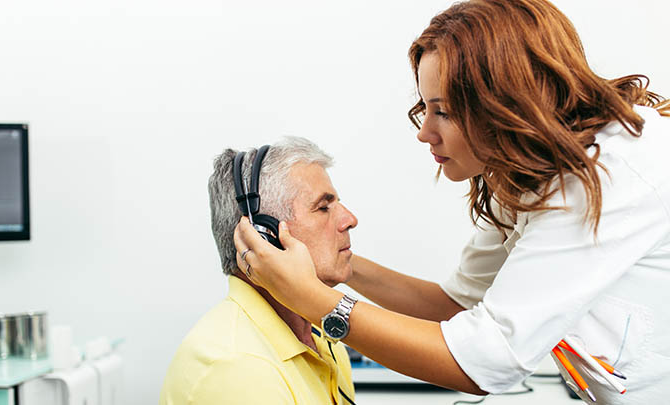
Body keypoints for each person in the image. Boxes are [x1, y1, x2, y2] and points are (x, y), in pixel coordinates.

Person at [233, 1, 670, 404]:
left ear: (507, 105)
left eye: (442, 110)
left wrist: (313, 300)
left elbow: (487, 363)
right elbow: (457, 305)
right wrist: (334, 262)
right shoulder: (523, 170)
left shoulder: (605, 176)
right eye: (424, 107)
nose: (424, 131)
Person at [159, 137, 358, 405]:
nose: (350, 220)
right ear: (264, 237)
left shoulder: (322, 338)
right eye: (323, 207)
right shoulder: (237, 366)